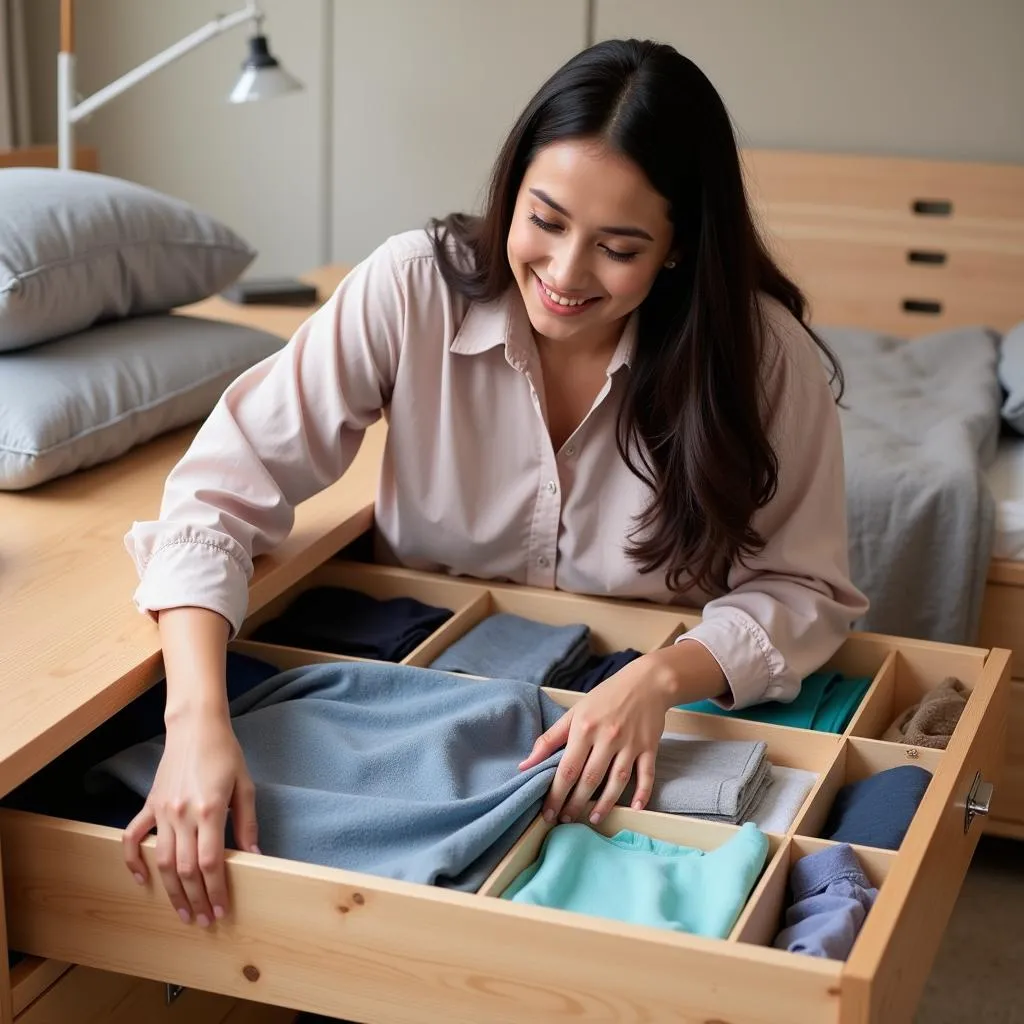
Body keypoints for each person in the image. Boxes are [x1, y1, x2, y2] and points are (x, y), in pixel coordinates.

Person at [121, 38, 868, 927]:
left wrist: (661, 679)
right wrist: (195, 723)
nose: (563, 274)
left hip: (645, 720)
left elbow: (806, 588)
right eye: (544, 221)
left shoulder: (763, 356)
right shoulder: (411, 286)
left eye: (618, 248)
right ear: (510, 190)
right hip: (413, 694)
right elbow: (215, 496)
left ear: (677, 249)